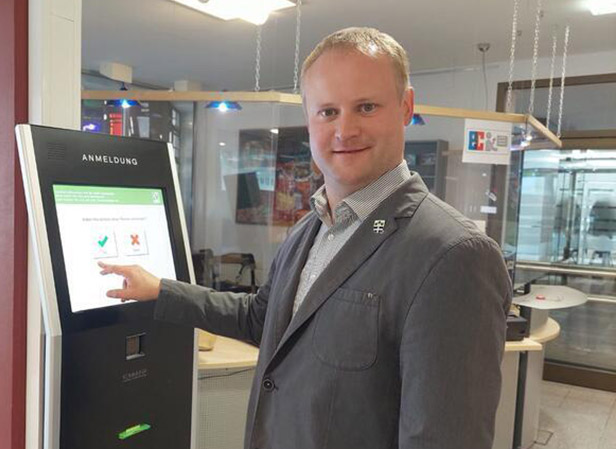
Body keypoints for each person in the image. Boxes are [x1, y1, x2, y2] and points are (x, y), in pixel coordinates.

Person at [99, 27, 511, 449]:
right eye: (328, 111)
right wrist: (161, 290)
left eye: (366, 107)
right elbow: (262, 320)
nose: (345, 130)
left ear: (405, 107)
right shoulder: (310, 227)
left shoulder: (453, 255)